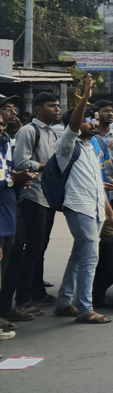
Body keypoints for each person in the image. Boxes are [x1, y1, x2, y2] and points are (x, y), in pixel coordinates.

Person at [53, 75, 113, 324]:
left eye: (93, 120)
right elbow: (73, 124)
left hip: (95, 208)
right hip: (78, 206)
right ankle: (85, 309)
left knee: (79, 255)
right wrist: (85, 98)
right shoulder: (66, 144)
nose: (93, 124)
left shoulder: (92, 147)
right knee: (90, 258)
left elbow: (97, 184)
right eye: (87, 120)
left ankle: (64, 302)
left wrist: (111, 214)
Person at [6, 92, 61, 321]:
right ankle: (24, 299)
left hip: (47, 196)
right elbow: (20, 162)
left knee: (41, 247)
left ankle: (37, 292)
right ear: (39, 109)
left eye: (58, 106)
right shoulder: (30, 131)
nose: (57, 109)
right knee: (31, 249)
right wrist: (44, 165)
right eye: (52, 106)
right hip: (32, 196)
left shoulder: (52, 133)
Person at [0, 112, 36, 334]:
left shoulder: (6, 144)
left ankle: (4, 311)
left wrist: (19, 179)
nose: (1, 128)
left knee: (10, 268)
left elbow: (6, 175)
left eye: (2, 124)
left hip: (9, 216)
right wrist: (14, 179)